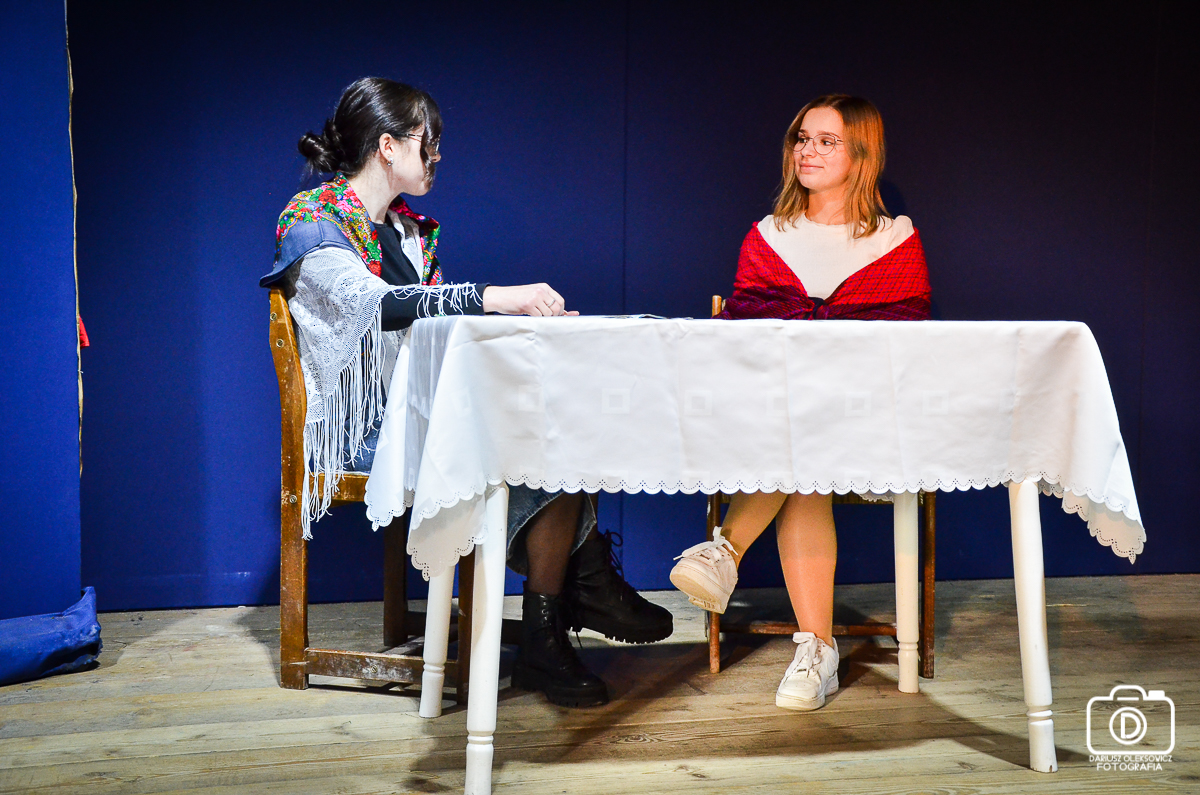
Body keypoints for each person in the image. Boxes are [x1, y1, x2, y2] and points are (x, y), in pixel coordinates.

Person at [260, 77, 672, 708]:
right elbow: (373, 306)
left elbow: (441, 331)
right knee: (533, 435)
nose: (438, 155)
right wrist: (496, 297)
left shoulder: (406, 233)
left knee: (556, 417)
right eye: (429, 141)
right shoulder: (313, 223)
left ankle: (560, 612)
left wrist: (524, 327)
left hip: (424, 411)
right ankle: (576, 593)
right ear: (389, 146)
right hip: (363, 432)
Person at [669, 94, 931, 711]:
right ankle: (817, 649)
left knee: (808, 434)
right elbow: (742, 342)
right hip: (776, 417)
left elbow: (908, 342)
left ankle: (727, 549)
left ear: (861, 154)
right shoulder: (769, 237)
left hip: (867, 418)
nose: (806, 151)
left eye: (826, 141)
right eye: (801, 139)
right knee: (803, 453)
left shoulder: (895, 239)